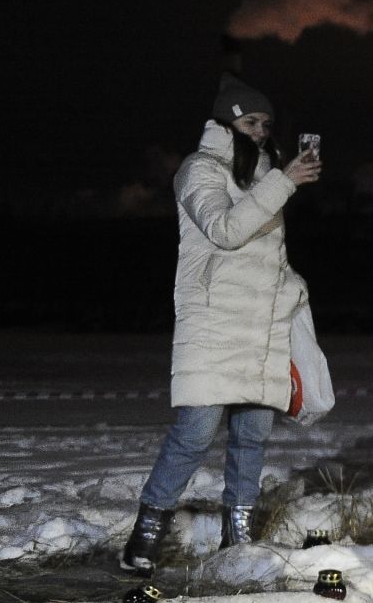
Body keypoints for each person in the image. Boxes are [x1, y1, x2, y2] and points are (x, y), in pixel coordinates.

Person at [119, 74, 322, 574]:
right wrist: (284, 183)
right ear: (225, 122)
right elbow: (226, 231)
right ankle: (144, 537)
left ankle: (239, 540)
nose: (259, 131)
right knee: (194, 432)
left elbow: (263, 257)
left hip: (260, 327)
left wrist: (293, 286)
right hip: (213, 326)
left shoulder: (263, 176)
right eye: (250, 121)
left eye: (265, 124)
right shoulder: (199, 170)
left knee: (253, 437)